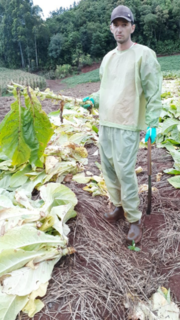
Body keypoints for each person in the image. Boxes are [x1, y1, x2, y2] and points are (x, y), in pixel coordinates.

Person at [81, 5, 162, 243]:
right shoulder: (108, 58)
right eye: (115, 25)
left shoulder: (144, 54)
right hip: (105, 123)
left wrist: (152, 124)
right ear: (110, 28)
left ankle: (134, 220)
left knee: (125, 172)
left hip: (127, 124)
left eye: (124, 24)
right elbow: (105, 89)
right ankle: (118, 207)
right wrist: (92, 100)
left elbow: (153, 91)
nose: (119, 29)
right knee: (108, 169)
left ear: (132, 27)